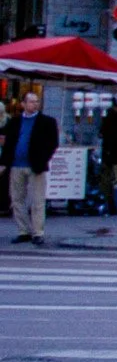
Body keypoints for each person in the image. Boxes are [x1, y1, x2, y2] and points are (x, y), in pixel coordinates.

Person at [4, 85, 60, 247]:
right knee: (16, 199)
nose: (34, 104)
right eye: (31, 102)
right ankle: (24, 230)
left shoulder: (47, 121)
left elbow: (53, 143)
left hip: (36, 165)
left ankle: (38, 232)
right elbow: (8, 143)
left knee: (37, 200)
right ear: (23, 104)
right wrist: (5, 161)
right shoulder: (15, 121)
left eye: (36, 102)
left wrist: (44, 158)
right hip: (17, 164)